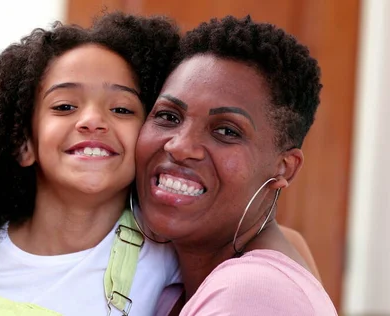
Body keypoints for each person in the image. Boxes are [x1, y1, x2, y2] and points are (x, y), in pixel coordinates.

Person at [0, 13, 181, 316]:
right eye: (65, 106)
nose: (94, 121)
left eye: (121, 109)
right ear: (23, 144)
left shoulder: (167, 259)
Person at [134, 15, 336, 315]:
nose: (180, 146)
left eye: (227, 131)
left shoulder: (252, 293)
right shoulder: (172, 278)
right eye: (169, 116)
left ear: (285, 167)